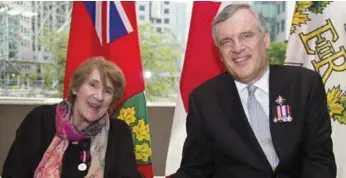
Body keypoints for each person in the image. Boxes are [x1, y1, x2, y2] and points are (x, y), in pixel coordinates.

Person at [173, 4, 336, 178]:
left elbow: (319, 159)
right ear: (220, 53)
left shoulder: (304, 85)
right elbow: (195, 169)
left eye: (246, 36)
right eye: (226, 41)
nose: (237, 48)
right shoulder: (204, 100)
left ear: (265, 40)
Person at [2, 57, 142, 178]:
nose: (99, 97)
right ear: (76, 88)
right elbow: (13, 173)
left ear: (111, 100)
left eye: (108, 91)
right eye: (93, 85)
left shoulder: (118, 132)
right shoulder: (41, 119)